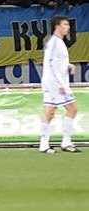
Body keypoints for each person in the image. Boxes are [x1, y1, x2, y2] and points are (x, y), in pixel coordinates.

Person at [39, 15, 81, 153]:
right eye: (65, 24)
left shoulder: (57, 42)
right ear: (57, 26)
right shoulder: (54, 42)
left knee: (50, 112)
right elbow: (51, 63)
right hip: (55, 84)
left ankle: (44, 144)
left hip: (52, 83)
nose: (68, 27)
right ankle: (66, 142)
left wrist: (68, 65)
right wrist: (60, 84)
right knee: (72, 108)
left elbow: (56, 62)